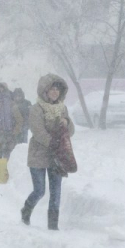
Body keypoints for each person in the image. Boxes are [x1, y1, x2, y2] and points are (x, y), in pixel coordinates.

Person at [21, 74, 75, 231]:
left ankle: (53, 225)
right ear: (44, 91)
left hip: (57, 156)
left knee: (56, 192)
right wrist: (53, 142)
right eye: (52, 89)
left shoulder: (62, 108)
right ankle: (26, 209)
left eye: (57, 90)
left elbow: (70, 131)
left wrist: (67, 122)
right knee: (39, 190)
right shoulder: (36, 109)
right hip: (38, 155)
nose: (55, 92)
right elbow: (38, 131)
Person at [0, 83, 23, 184]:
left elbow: (19, 120)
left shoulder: (12, 104)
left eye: (2, 89)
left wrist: (14, 133)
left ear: (6, 90)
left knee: (8, 157)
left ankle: (7, 178)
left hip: (10, 136)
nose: (1, 91)